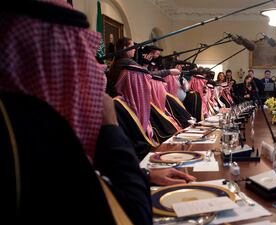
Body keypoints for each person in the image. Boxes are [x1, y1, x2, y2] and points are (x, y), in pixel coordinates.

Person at [0, 3, 195, 224]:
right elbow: (133, 216)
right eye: (81, 56)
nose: (97, 71)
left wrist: (146, 176)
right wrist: (110, 127)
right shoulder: (36, 130)